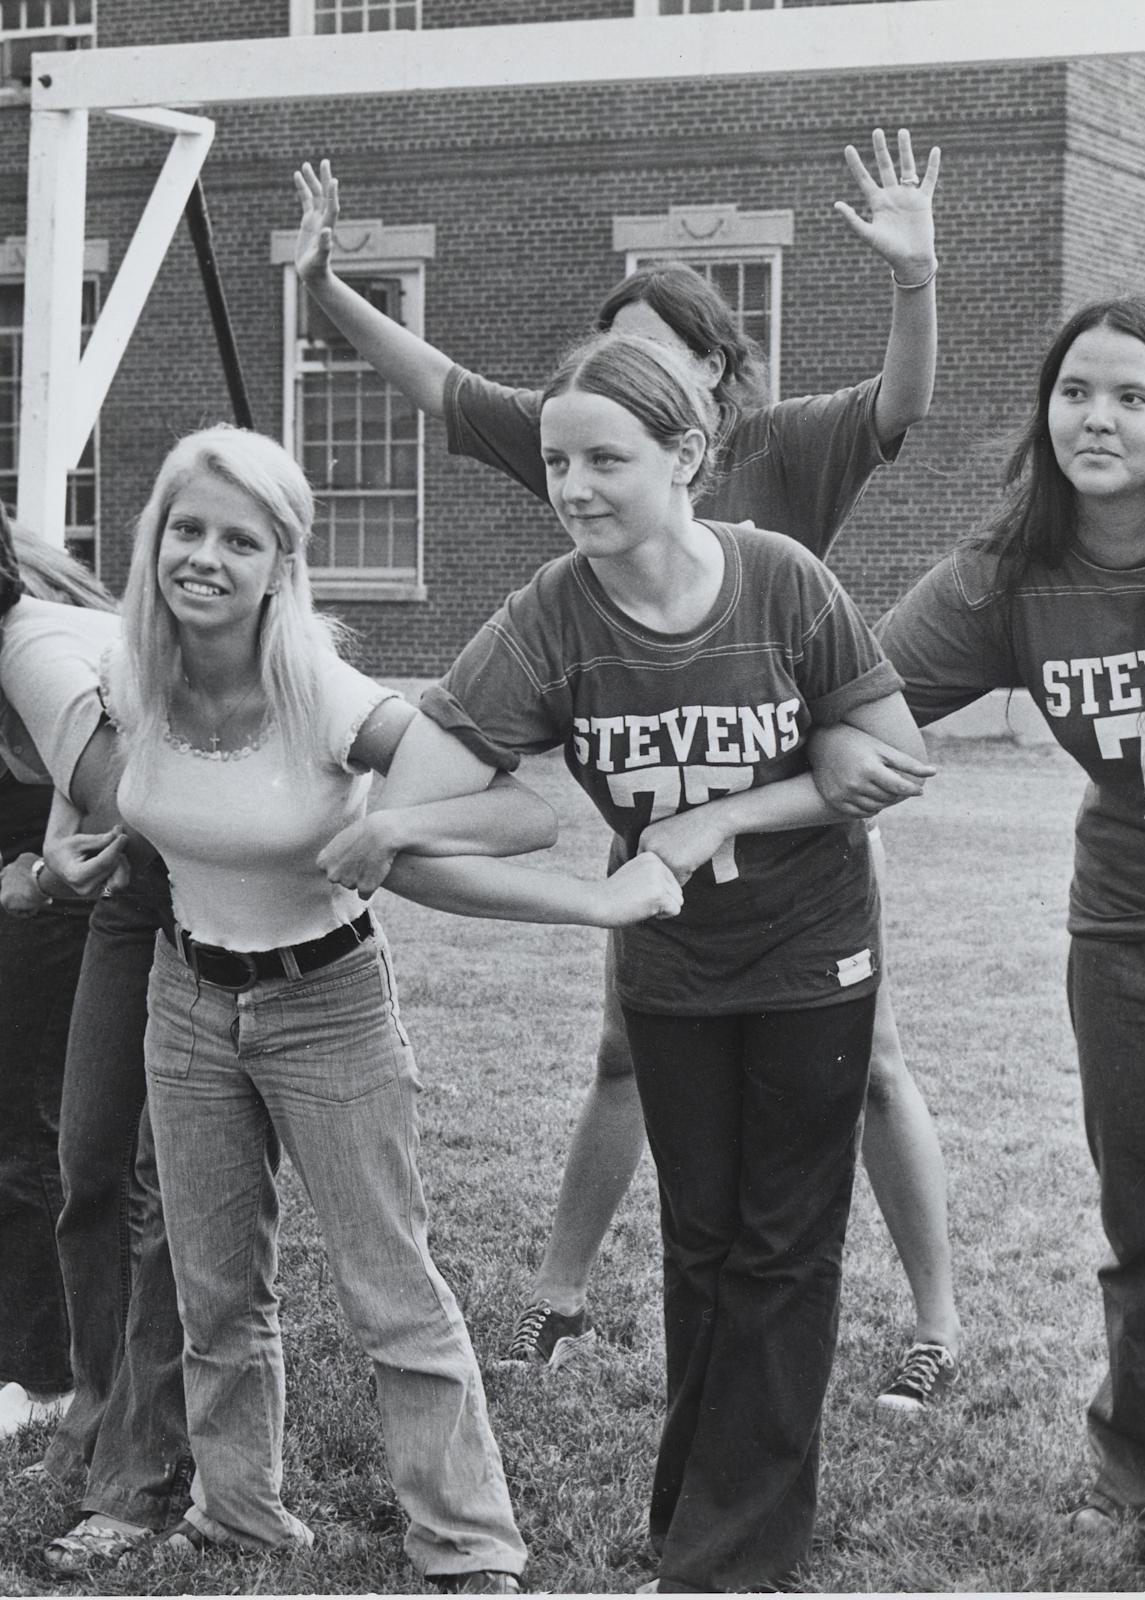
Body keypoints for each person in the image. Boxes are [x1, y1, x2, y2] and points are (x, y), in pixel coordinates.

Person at [293, 130, 963, 1408]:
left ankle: (933, 1320)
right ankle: (559, 1294)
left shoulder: (784, 450)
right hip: (656, 819)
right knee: (628, 1054)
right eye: (575, 434)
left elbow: (905, 403)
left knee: (868, 1065)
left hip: (799, 816)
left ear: (708, 385)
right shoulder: (585, 455)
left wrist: (915, 279)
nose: (592, 448)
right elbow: (441, 384)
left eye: (654, 355)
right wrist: (327, 291)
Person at [326, 330, 931, 1592]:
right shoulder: (547, 619)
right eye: (557, 463)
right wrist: (578, 900)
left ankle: (729, 1559)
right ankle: (701, 1533)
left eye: (607, 458)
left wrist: (726, 812)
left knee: (785, 1245)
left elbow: (890, 755)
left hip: (813, 955)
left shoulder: (780, 580)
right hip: (670, 967)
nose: (576, 488)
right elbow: (418, 822)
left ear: (689, 454)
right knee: (704, 1243)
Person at [60, 422, 680, 1589]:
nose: (204, 557)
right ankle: (236, 1509)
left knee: (390, 1289)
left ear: (282, 565)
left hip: (325, 999)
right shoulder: (126, 674)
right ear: (152, 543)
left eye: (239, 540)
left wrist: (391, 822)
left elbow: (523, 811)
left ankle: (467, 1545)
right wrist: (76, 845)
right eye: (185, 530)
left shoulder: (330, 695)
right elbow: (111, 793)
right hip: (186, 999)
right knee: (212, 1289)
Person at [823, 295, 1145, 1587]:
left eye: (1133, 395)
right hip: (1124, 930)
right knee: (1144, 1222)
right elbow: (859, 692)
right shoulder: (1012, 568)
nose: (1098, 417)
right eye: (1077, 391)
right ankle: (1129, 1467)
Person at [0, 521, 115, 1439]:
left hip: (63, 907)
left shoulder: (35, 646)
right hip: (46, 894)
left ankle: (45, 1375)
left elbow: (119, 795)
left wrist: (34, 875)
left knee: (29, 1130)